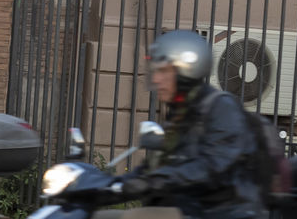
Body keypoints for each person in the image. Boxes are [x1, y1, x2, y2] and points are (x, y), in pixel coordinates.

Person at [109, 31, 264, 219]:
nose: (156, 79)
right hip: (189, 210)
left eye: (164, 71)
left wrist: (158, 180)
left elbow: (214, 164)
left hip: (220, 213)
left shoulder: (221, 107)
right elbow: (155, 167)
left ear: (188, 70)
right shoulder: (180, 113)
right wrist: (105, 187)